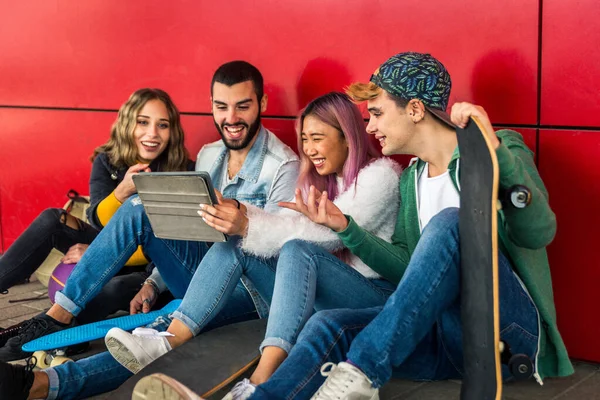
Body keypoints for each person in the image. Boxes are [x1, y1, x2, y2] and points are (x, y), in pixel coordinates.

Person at [133, 51, 573, 400]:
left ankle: (363, 369)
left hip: (504, 332)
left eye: (378, 113)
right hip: (441, 334)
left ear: (415, 109)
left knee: (449, 223)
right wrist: (347, 228)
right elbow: (406, 269)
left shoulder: (497, 148)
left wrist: (494, 152)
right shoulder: (414, 181)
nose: (370, 125)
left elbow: (538, 233)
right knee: (330, 326)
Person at [0, 60, 300, 400]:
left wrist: (245, 224)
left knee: (157, 335)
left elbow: (283, 253)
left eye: (243, 106)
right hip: (201, 274)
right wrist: (152, 282)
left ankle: (38, 385)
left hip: (251, 292)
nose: (231, 118)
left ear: (261, 104)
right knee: (139, 208)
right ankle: (60, 314)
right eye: (221, 106)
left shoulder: (284, 165)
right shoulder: (209, 155)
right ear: (211, 106)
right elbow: (185, 233)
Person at [103, 91, 401, 398]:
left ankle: (259, 382)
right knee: (236, 243)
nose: (309, 149)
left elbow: (324, 237)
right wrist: (239, 212)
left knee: (297, 249)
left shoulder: (381, 176)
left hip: (368, 296)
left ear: (348, 138)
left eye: (317, 138)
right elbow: (285, 224)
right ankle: (169, 339)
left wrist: (247, 223)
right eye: (305, 139)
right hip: (320, 293)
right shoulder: (319, 180)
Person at [0, 87, 191, 341]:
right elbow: (97, 219)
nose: (152, 134)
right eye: (143, 122)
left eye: (163, 125)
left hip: (149, 269)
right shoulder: (108, 161)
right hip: (108, 244)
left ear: (172, 132)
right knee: (52, 219)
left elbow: (173, 245)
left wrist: (97, 253)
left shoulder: (185, 171)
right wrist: (122, 190)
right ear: (127, 123)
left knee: (114, 288)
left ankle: (29, 334)